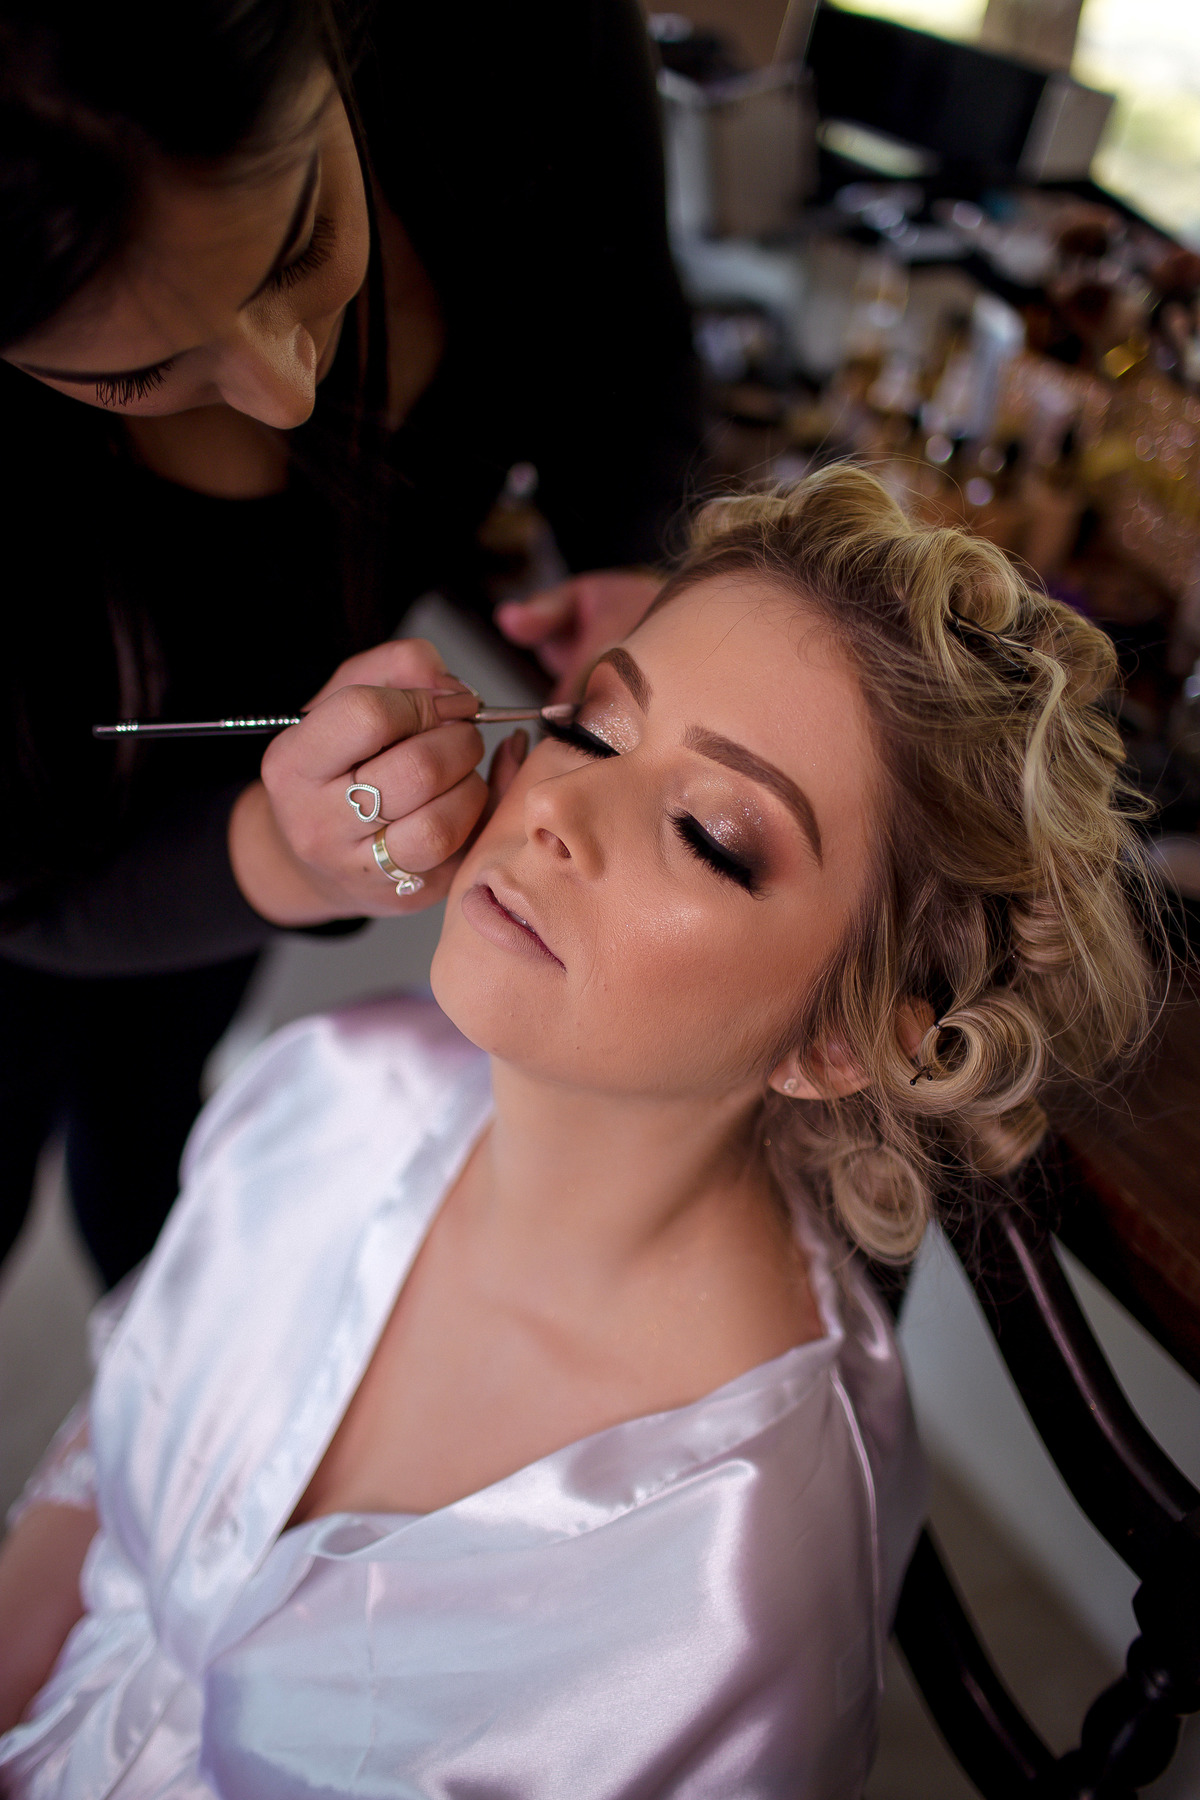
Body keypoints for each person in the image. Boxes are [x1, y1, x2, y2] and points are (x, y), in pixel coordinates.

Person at [0, 468, 1155, 1796]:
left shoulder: (727, 1587)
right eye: (596, 730)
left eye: (711, 836)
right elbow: (99, 1495)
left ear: (837, 1041)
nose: (553, 808)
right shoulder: (321, 1089)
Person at [0, 0, 699, 1286]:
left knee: (153, 1143)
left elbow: (619, 323)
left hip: (228, 933)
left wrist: (625, 545)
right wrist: (273, 855)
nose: (290, 390)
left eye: (302, 239)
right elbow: (25, 886)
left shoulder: (516, 38)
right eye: (135, 374)